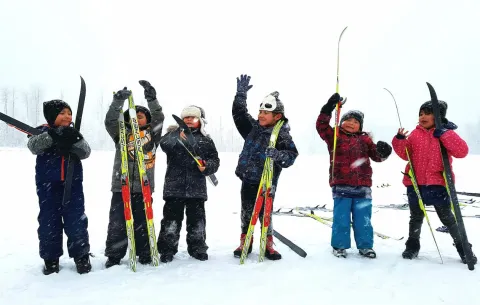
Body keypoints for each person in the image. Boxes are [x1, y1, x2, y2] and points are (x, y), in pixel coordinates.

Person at [392, 100, 477, 264]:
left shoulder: (445, 133)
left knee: (448, 218)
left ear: (438, 116)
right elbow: (405, 154)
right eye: (421, 113)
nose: (422, 117)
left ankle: (463, 247)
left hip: (437, 183)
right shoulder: (415, 135)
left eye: (427, 113)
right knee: (416, 216)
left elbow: (462, 151)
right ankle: (412, 245)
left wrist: (445, 133)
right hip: (415, 184)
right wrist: (400, 140)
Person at [316, 93, 392, 258]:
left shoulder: (365, 140)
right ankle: (339, 246)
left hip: (363, 187)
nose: (351, 123)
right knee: (341, 219)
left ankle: (365, 246)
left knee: (363, 220)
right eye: (348, 120)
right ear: (342, 122)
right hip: (341, 185)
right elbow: (321, 125)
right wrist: (329, 107)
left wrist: (384, 152)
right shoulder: (335, 136)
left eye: (355, 121)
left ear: (361, 126)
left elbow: (377, 157)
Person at [232, 74, 298, 260]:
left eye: (265, 113)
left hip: (268, 181)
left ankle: (267, 242)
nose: (260, 115)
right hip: (248, 178)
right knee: (247, 211)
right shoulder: (252, 129)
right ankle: (246, 240)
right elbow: (239, 114)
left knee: (265, 212)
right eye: (259, 112)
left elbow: (291, 156)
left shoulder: (282, 135)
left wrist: (278, 155)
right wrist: (240, 95)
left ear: (277, 116)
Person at [104, 81, 165, 268]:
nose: (137, 120)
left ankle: (145, 252)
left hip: (143, 187)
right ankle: (114, 254)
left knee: (143, 221)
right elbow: (110, 121)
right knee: (117, 223)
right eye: (133, 117)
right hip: (120, 185)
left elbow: (159, 117)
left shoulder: (152, 135)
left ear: (147, 120)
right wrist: (117, 103)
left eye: (140, 117)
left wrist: (152, 100)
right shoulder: (121, 135)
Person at [27, 99, 92, 274]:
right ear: (51, 116)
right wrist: (53, 136)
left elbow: (86, 151)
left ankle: (81, 256)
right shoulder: (41, 132)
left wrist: (74, 140)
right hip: (48, 187)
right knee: (49, 222)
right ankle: (51, 258)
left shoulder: (74, 133)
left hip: (73, 186)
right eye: (62, 113)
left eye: (69, 113)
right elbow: (33, 146)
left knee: (76, 221)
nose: (67, 116)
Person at [157, 105, 220, 263]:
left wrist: (207, 166)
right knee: (171, 221)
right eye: (186, 118)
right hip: (174, 188)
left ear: (200, 121)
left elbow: (215, 160)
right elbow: (164, 145)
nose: (189, 120)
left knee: (197, 222)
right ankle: (167, 249)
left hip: (197, 189)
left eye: (193, 118)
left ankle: (197, 248)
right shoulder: (172, 135)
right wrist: (176, 136)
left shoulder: (206, 140)